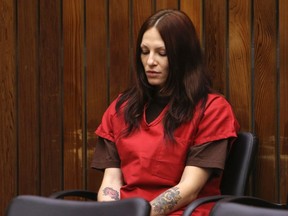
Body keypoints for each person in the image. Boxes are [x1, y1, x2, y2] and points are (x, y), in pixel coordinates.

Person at [91, 9, 240, 216]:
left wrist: (140, 214)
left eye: (162, 53)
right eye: (144, 51)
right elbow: (111, 181)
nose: (150, 61)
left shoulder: (213, 110)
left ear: (183, 57)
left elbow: (189, 189)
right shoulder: (121, 108)